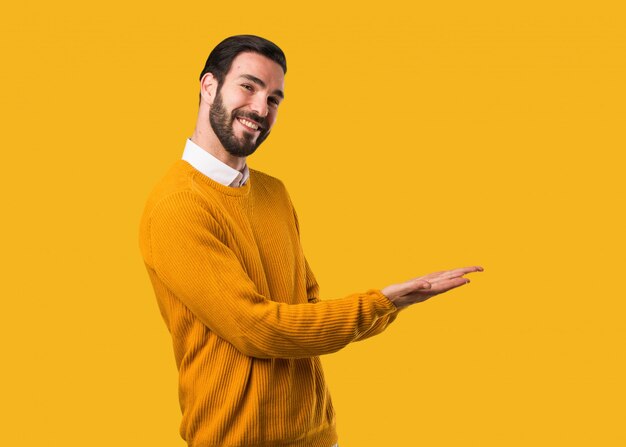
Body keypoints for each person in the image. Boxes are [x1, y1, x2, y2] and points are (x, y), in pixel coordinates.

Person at [138, 34, 483, 447]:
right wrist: (380, 302)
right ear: (209, 86)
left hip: (319, 437)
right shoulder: (178, 206)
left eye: (274, 98)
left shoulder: (273, 193)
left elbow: (307, 312)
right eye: (248, 86)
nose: (260, 108)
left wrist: (394, 304)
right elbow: (258, 329)